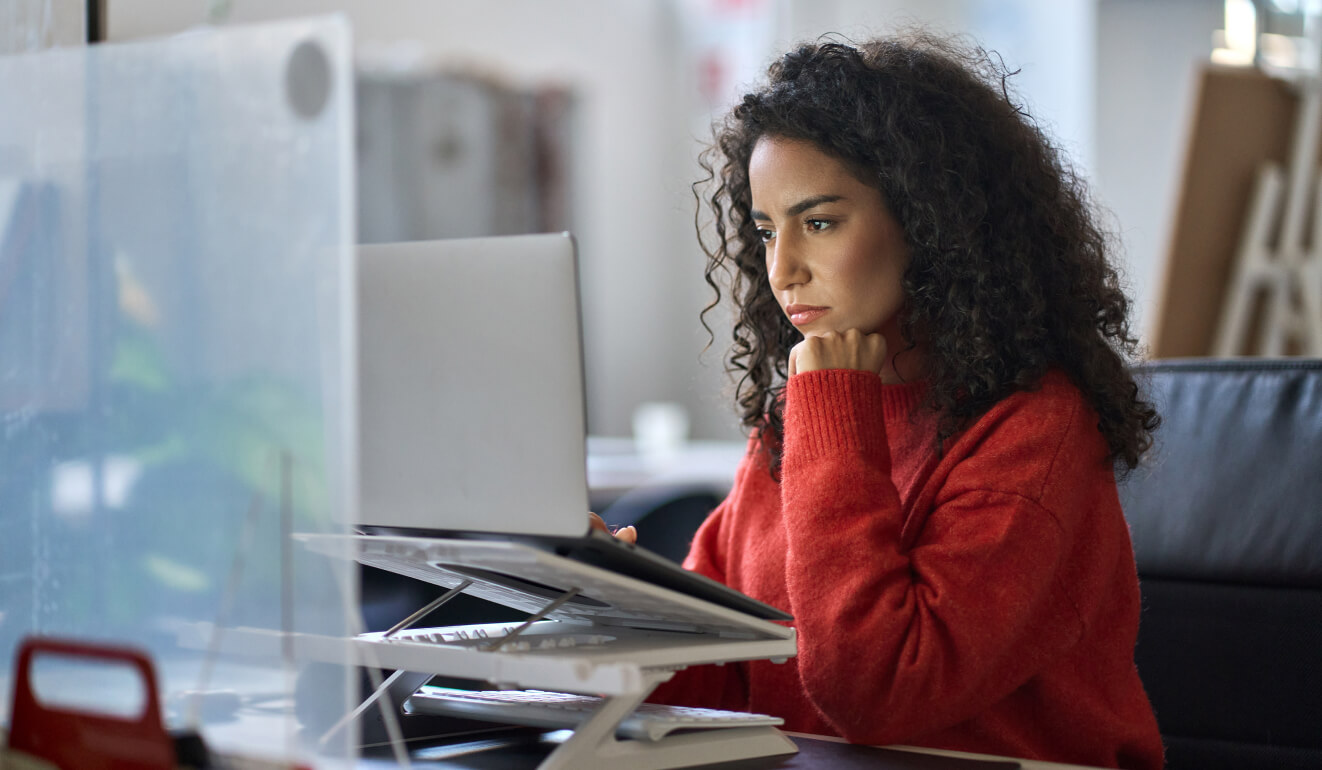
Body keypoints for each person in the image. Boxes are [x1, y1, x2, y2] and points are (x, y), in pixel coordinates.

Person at [633, 32, 1165, 770]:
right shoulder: (800, 418)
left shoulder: (1037, 430)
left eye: (819, 223)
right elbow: (727, 672)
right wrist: (610, 607)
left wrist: (832, 414)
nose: (782, 269)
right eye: (765, 231)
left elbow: (877, 692)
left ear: (929, 222)